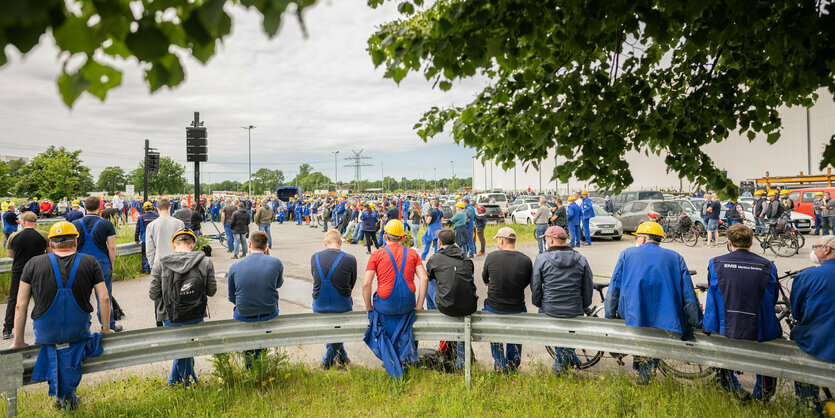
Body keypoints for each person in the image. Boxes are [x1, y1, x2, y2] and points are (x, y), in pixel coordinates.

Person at [10, 221, 113, 410]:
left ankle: (64, 397)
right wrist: (105, 328)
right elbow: (104, 298)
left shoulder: (33, 264)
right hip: (78, 331)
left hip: (46, 333)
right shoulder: (90, 262)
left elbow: (20, 305)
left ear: (50, 245)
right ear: (75, 242)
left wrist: (18, 340)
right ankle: (66, 396)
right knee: (71, 355)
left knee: (57, 354)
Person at [605, 221, 701, 382]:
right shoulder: (675, 257)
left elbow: (614, 288)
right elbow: (689, 295)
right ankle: (645, 374)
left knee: (641, 343)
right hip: (665, 317)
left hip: (632, 314)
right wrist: (697, 321)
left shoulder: (627, 254)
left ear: (642, 239)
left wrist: (609, 316)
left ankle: (643, 376)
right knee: (652, 345)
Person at [702, 224, 780, 400]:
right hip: (759, 325)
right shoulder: (767, 265)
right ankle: (761, 397)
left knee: (722, 351)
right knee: (766, 356)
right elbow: (773, 296)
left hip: (726, 323)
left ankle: (732, 387)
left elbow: (715, 290)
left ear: (729, 243)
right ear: (751, 242)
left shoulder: (715, 262)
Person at [362, 220, 428, 379]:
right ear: (403, 238)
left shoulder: (377, 254)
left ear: (385, 236)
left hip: (385, 305)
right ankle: (403, 357)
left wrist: (368, 306)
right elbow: (424, 278)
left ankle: (389, 359)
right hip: (407, 304)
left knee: (380, 318)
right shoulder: (413, 254)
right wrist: (419, 305)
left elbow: (366, 283)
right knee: (404, 320)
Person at [149, 228, 215, 386]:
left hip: (170, 315)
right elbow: (211, 291)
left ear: (174, 244)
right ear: (193, 244)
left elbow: (153, 294)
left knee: (181, 348)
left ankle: (183, 383)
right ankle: (187, 382)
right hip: (196, 313)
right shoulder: (205, 262)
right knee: (187, 348)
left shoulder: (161, 263)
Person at [531, 225, 592, 374]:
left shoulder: (542, 259)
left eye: (545, 239)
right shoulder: (581, 259)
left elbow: (536, 287)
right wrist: (582, 306)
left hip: (550, 309)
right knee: (568, 335)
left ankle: (559, 370)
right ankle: (573, 360)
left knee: (551, 328)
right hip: (574, 309)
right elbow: (588, 286)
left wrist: (541, 304)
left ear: (550, 240)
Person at [790, 235, 835, 414]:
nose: (813, 250)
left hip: (816, 343)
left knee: (798, 340)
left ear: (827, 249)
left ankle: (809, 407)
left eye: (815, 246)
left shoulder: (807, 276)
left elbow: (797, 312)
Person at [228, 231, 283, 369]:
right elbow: (277, 284)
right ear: (266, 247)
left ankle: (250, 367)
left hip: (244, 314)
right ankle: (260, 364)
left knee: (249, 339)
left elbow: (231, 296)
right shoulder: (276, 262)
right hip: (269, 312)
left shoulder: (235, 266)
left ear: (249, 244)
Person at [482, 227, 532, 372]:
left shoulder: (491, 257)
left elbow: (485, 280)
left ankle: (499, 363)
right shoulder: (525, 260)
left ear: (501, 240)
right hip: (517, 307)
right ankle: (513, 365)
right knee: (515, 335)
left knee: (494, 332)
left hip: (494, 307)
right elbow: (526, 282)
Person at [425, 229, 477, 368]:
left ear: (439, 242)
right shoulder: (466, 258)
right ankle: (462, 364)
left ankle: (433, 313)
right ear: (454, 242)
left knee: (429, 282)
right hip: (468, 305)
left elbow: (429, 276)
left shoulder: (435, 258)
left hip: (447, 306)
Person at [72, 197, 120, 332]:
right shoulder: (106, 224)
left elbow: (73, 247)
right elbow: (111, 247)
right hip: (101, 262)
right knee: (104, 296)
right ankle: (108, 326)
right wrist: (111, 262)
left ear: (85, 207)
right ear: (99, 207)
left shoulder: (75, 223)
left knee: (81, 296)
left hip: (81, 262)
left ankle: (81, 327)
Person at [311, 230, 357, 369]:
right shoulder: (350, 259)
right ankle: (327, 362)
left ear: (325, 243)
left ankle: (342, 357)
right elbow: (352, 282)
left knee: (330, 330)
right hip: (341, 303)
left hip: (319, 303)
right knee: (339, 329)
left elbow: (315, 278)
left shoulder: (315, 257)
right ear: (340, 242)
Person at [3, 212, 49, 340]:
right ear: (35, 221)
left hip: (19, 270)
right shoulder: (43, 235)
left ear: (23, 222)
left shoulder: (14, 236)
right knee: (42, 297)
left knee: (14, 299)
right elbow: (49, 253)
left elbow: (11, 255)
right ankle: (44, 326)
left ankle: (7, 329)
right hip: (39, 269)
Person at [134, 202, 159, 274]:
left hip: (145, 239)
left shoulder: (141, 217)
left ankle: (146, 270)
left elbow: (137, 228)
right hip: (156, 239)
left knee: (145, 255)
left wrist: (136, 238)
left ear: (144, 209)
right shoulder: (157, 216)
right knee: (156, 254)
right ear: (152, 208)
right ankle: (156, 270)